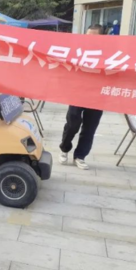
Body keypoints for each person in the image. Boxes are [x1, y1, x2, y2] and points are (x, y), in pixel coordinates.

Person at [59, 23, 104, 170]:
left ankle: (80, 156)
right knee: (72, 124)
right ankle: (64, 148)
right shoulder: (78, 51)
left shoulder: (108, 54)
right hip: (78, 93)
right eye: (87, 36)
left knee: (89, 128)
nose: (89, 40)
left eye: (94, 37)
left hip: (97, 95)